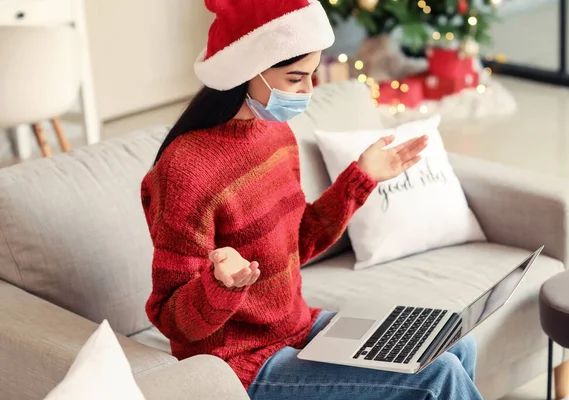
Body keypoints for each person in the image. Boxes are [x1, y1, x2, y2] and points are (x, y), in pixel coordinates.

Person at [141, 0, 483, 399]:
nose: (308, 91)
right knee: (437, 374)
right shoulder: (185, 170)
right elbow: (171, 319)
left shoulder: (276, 134)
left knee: (455, 341)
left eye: (312, 75)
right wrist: (220, 285)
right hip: (238, 363)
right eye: (295, 78)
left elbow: (297, 244)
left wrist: (360, 180)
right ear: (246, 70)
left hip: (298, 327)